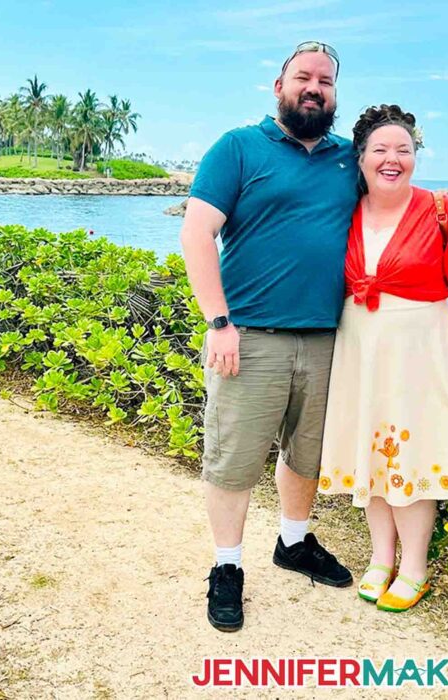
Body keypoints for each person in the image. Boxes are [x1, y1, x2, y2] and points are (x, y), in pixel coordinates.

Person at [180, 41, 358, 633]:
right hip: (249, 336)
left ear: (334, 93)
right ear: (278, 85)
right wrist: (219, 322)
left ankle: (293, 541)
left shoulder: (347, 159)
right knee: (233, 461)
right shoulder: (238, 147)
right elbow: (197, 233)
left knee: (306, 455)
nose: (314, 87)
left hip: (329, 338)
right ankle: (227, 567)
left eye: (325, 81)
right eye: (303, 77)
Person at [317, 104, 448, 612]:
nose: (392, 159)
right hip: (361, 354)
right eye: (380, 150)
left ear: (416, 155)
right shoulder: (346, 211)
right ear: (360, 158)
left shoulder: (444, 211)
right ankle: (380, 560)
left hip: (424, 356)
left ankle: (414, 566)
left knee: (415, 461)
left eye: (404, 149)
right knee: (372, 460)